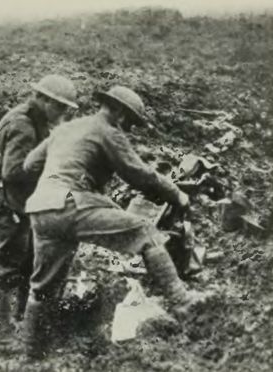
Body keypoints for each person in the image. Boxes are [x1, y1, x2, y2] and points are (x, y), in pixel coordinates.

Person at [21, 86, 210, 359]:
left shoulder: (65, 129)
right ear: (120, 113)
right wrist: (176, 194)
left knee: (43, 289)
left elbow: (29, 165)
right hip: (71, 204)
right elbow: (138, 173)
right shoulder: (107, 131)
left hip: (41, 210)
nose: (129, 130)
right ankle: (182, 302)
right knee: (147, 233)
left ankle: (31, 354)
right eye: (130, 123)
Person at [0, 75, 78, 348]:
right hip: (8, 207)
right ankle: (1, 336)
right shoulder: (22, 125)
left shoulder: (35, 121)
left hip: (22, 206)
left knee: (28, 264)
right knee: (4, 270)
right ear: (44, 100)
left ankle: (25, 323)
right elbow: (13, 171)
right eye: (59, 108)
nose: (61, 114)